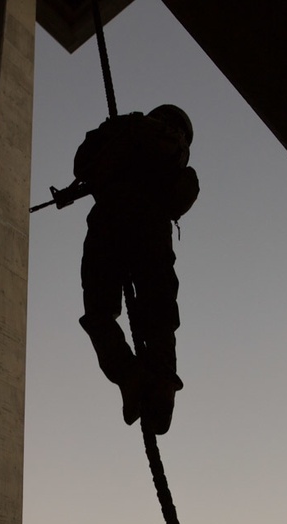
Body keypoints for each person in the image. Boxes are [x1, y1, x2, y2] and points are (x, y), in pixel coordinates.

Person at [74, 105, 199, 435]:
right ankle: (160, 385)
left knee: (99, 312)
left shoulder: (130, 127)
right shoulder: (175, 155)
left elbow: (83, 161)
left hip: (112, 220)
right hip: (151, 230)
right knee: (158, 314)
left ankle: (129, 377)